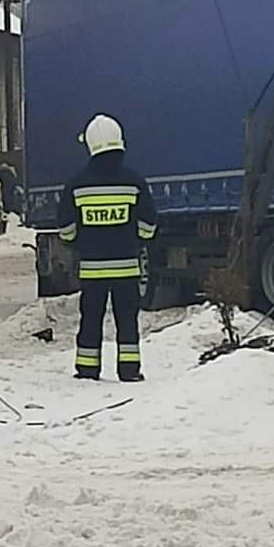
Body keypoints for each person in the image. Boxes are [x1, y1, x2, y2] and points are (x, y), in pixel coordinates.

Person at [56, 113, 157, 382]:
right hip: (127, 267)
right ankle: (130, 370)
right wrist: (137, 240)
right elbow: (149, 221)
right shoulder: (134, 182)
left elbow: (65, 227)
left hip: (92, 269)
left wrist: (78, 243)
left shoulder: (76, 184)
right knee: (127, 319)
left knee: (90, 319)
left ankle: (88, 369)